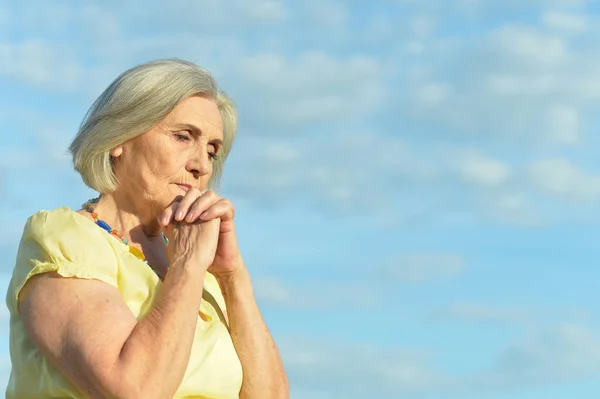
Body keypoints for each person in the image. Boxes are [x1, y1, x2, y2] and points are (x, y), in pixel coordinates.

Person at [5, 59, 289, 399]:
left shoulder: (204, 273)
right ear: (119, 138)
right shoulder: (64, 238)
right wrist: (187, 265)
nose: (200, 165)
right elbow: (135, 390)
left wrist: (232, 276)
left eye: (212, 151)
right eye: (183, 137)